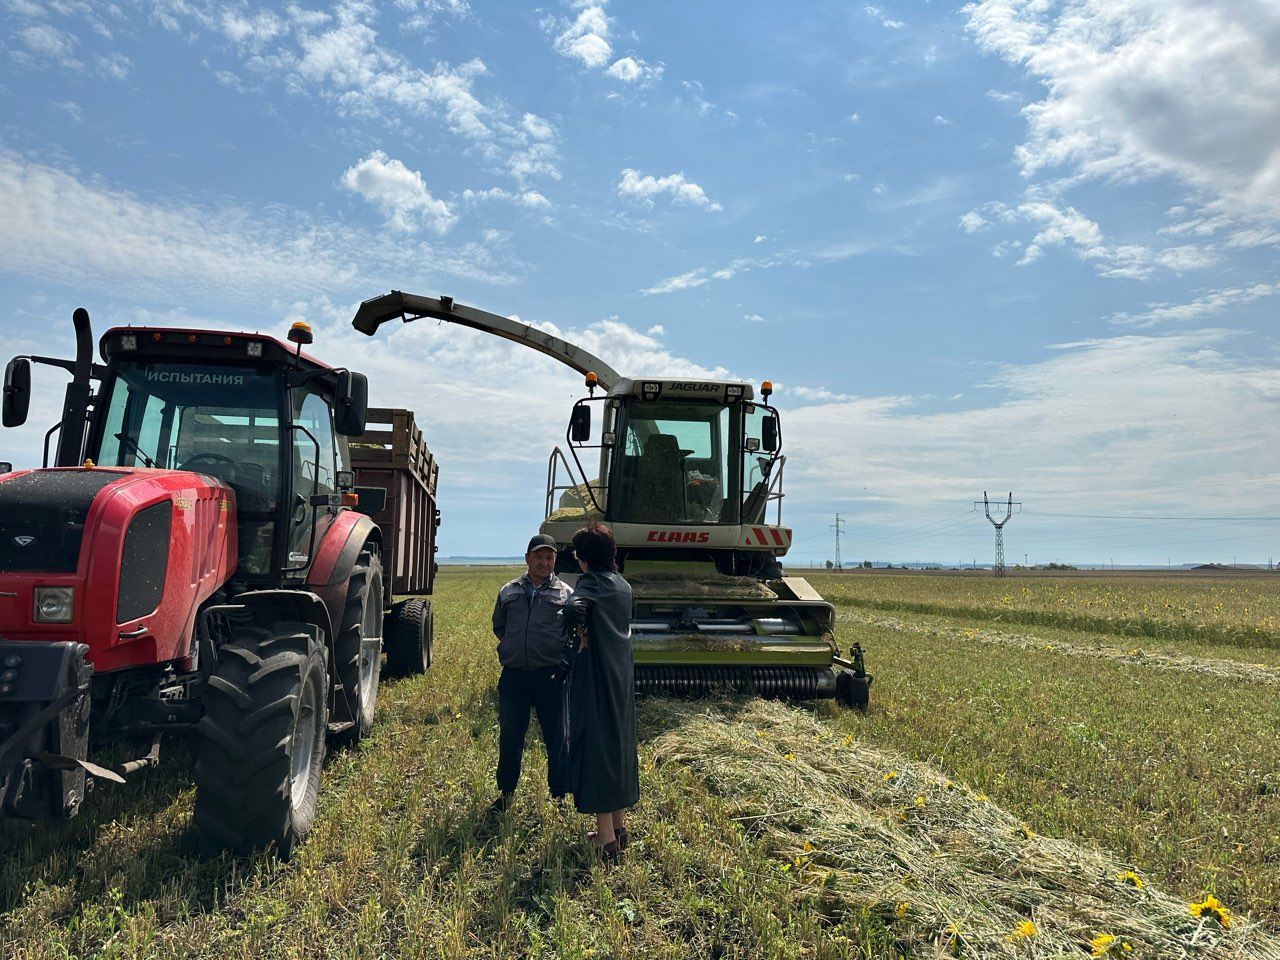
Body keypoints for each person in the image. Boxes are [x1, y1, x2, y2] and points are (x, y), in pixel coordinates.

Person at [562, 521, 639, 860]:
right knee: (617, 746)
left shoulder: (589, 584)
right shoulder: (623, 586)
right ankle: (619, 827)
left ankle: (605, 839)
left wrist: (579, 632)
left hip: (595, 676)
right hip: (621, 677)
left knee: (595, 748)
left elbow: (570, 609)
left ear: (584, 558)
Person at [490, 533, 572, 811]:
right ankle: (505, 793)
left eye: (549, 557)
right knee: (511, 737)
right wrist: (517, 648)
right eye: (538, 557)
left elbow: (572, 634)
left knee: (556, 738)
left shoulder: (566, 594)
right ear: (527, 559)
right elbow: (499, 627)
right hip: (514, 676)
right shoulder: (508, 591)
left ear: (555, 560)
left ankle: (559, 795)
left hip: (551, 677)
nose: (544, 562)